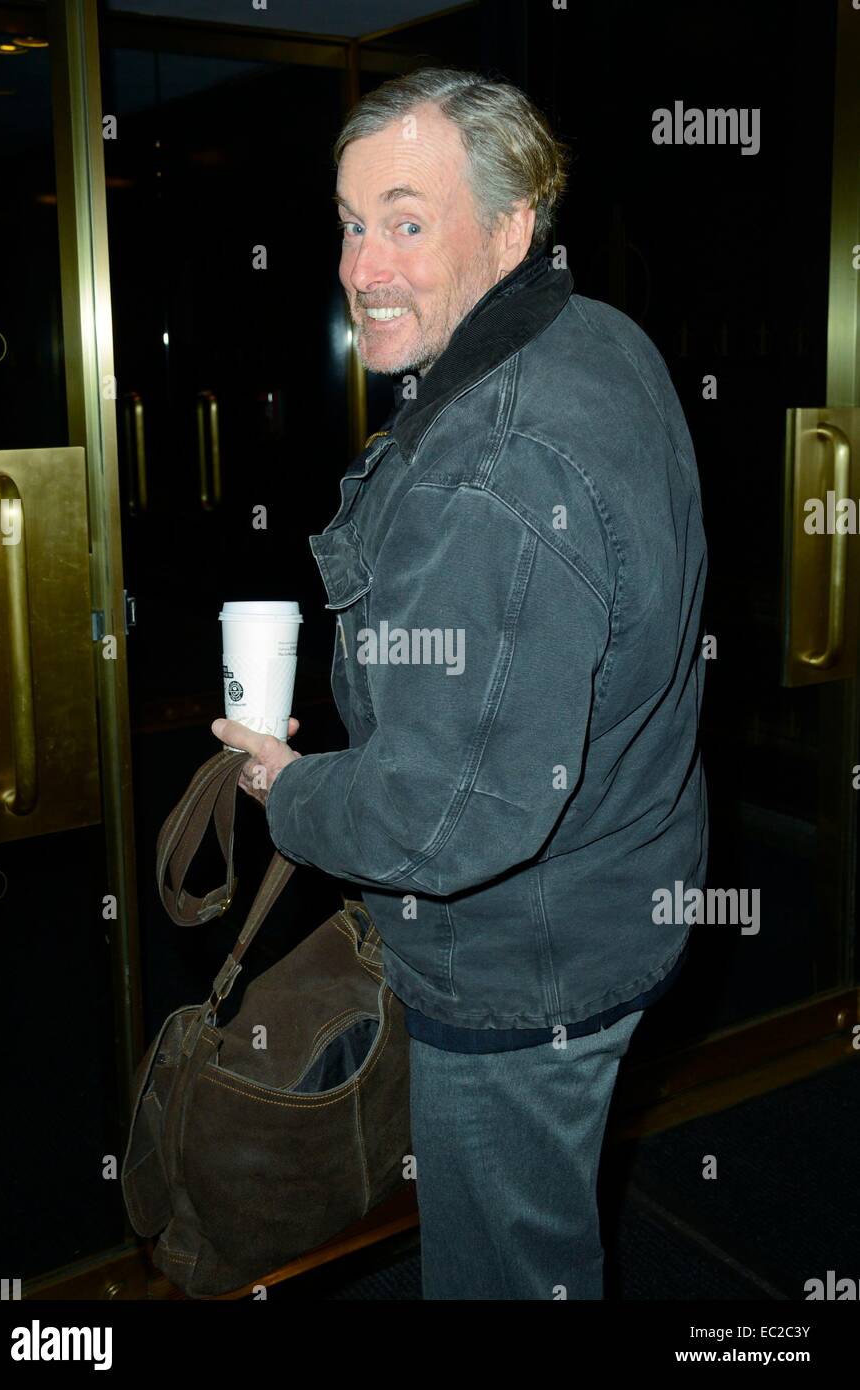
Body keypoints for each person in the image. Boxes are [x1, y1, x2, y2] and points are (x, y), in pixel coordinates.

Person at [212, 66, 708, 1301]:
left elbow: (447, 816)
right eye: (347, 221)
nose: (360, 266)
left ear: (510, 226)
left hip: (522, 965)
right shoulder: (600, 338)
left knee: (502, 1265)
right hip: (622, 881)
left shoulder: (497, 466)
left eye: (407, 221)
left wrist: (291, 788)